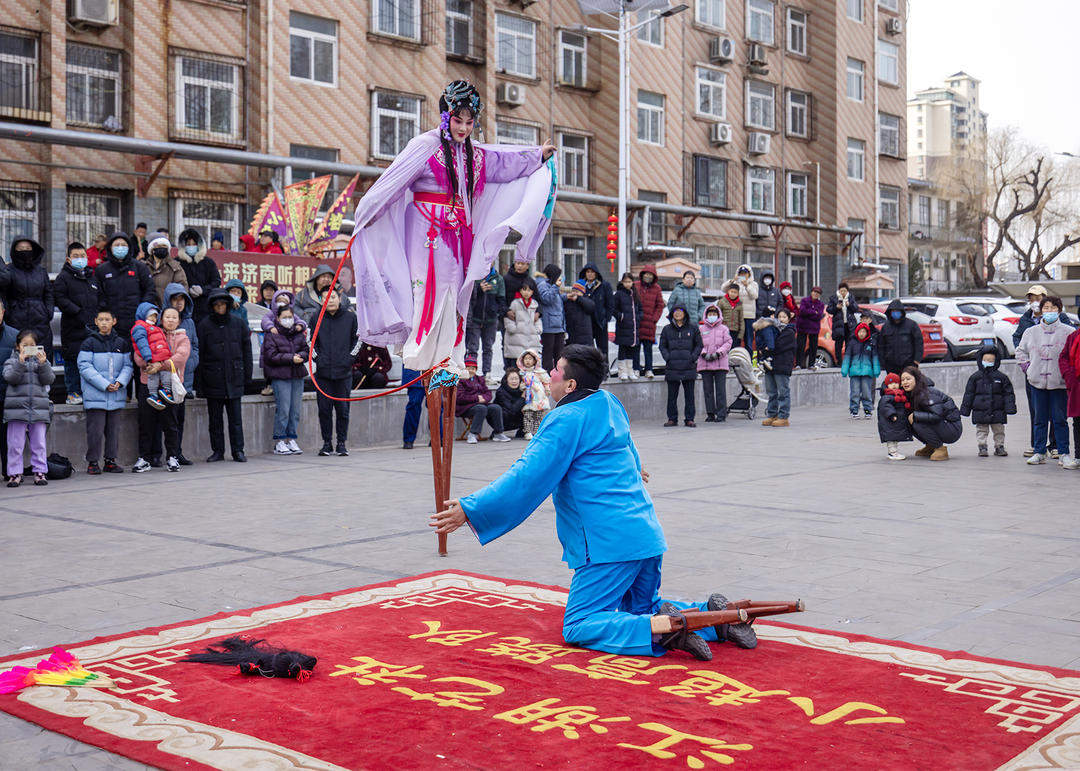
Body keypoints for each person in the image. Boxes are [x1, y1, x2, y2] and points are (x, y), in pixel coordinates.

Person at [432, 345, 757, 661]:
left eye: (556, 370)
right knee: (641, 607)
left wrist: (472, 508)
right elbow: (628, 451)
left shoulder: (565, 419)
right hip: (645, 534)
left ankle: (662, 630)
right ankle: (717, 617)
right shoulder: (609, 402)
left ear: (570, 384)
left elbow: (526, 477)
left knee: (579, 624)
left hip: (608, 543)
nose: (550, 375)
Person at [348, 79, 554, 374]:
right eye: (458, 120)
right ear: (446, 117)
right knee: (426, 287)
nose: (464, 128)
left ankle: (449, 351)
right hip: (425, 229)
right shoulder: (425, 146)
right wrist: (366, 214)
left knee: (454, 291)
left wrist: (537, 156)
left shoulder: (474, 154)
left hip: (459, 234)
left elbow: (503, 162)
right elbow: (392, 183)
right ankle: (421, 347)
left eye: (470, 122)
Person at [132, 307, 189, 473]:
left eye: (174, 317)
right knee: (146, 422)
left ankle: (172, 457)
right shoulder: (149, 332)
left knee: (170, 423)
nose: (170, 320)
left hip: (169, 385)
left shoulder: (183, 337)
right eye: (167, 317)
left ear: (178, 321)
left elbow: (181, 356)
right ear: (161, 319)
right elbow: (138, 353)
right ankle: (144, 458)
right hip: (147, 383)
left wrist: (160, 365)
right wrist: (149, 364)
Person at [197, 288, 251, 463]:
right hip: (213, 378)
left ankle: (238, 450)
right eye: (217, 304)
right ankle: (218, 451)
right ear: (212, 306)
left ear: (228, 305)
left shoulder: (238, 323)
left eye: (223, 304)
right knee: (215, 420)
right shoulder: (204, 325)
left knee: (236, 419)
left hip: (235, 377)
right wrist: (200, 384)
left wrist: (246, 378)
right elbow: (200, 355)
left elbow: (247, 352)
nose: (220, 307)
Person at [1016, 296, 1072, 466]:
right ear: (1041, 310)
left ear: (1059, 310)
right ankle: (1039, 451)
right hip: (1037, 381)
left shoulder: (1068, 331)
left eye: (1053, 308)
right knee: (1039, 418)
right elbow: (1020, 352)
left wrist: (1068, 374)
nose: (1049, 311)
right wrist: (1028, 368)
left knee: (1059, 419)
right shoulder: (1031, 332)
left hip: (1059, 382)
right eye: (1046, 308)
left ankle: (1063, 453)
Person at [78, 308, 132, 474]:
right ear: (96, 322)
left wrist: (119, 382)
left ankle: (110, 460)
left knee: (113, 430)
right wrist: (104, 384)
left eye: (107, 319)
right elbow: (84, 367)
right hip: (96, 396)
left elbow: (128, 366)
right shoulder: (89, 342)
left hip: (116, 395)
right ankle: (93, 462)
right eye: (100, 319)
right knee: (95, 431)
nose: (104, 323)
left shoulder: (121, 343)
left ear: (114, 321)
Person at [3, 329, 54, 487]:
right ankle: (14, 473)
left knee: (39, 443)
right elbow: (10, 377)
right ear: (18, 346)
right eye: (25, 345)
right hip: (16, 409)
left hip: (38, 409)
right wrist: (20, 362)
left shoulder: (42, 363)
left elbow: (49, 379)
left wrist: (43, 364)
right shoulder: (11, 362)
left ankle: (39, 471)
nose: (28, 348)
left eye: (32, 345)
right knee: (15, 444)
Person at [53, 242, 100, 404]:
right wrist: (77, 312)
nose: (80, 259)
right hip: (72, 327)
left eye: (82, 256)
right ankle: (73, 392)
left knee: (90, 362)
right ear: (68, 259)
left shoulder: (91, 278)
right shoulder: (63, 278)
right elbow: (60, 298)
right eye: (75, 256)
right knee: (73, 360)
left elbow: (98, 299)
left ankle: (88, 392)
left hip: (92, 327)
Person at [312, 289, 356, 457]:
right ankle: (326, 443)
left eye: (332, 297)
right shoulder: (316, 317)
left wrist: (349, 359)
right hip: (323, 373)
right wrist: (318, 360)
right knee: (324, 410)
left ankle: (341, 443)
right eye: (325, 297)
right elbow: (310, 341)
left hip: (344, 373)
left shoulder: (350, 317)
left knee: (343, 410)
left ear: (339, 298)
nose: (329, 300)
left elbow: (357, 340)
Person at [261, 303, 308, 456]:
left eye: (290, 317)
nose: (288, 320)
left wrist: (301, 357)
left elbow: (306, 349)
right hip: (281, 376)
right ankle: (280, 440)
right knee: (283, 410)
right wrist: (290, 358)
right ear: (278, 318)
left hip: (297, 375)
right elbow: (271, 356)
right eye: (284, 317)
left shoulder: (298, 333)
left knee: (295, 410)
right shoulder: (272, 334)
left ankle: (292, 438)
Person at [161, 284, 199, 465]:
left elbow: (195, 345)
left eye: (182, 299)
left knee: (179, 418)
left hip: (186, 377)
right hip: (167, 377)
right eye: (175, 299)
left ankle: (177, 452)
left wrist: (193, 361)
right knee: (166, 418)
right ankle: (160, 454)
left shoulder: (189, 322)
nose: (179, 303)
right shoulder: (163, 322)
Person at [95, 232, 155, 340]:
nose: (120, 248)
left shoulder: (139, 267)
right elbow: (98, 294)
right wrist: (105, 312)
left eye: (123, 245)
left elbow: (149, 290)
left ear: (129, 247)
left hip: (135, 321)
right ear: (110, 248)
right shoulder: (102, 269)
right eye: (116, 245)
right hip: (111, 323)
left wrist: (142, 311)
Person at [0, 238, 54, 360]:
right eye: (20, 249)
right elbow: (4, 295)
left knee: (42, 361)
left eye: (28, 249)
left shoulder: (41, 271)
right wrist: (8, 314)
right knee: (19, 361)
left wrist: (48, 312)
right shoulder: (9, 271)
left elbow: (48, 293)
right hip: (16, 321)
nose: (24, 251)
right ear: (14, 250)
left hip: (40, 322)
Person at [960, 344, 1017, 458]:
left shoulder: (1001, 378)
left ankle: (999, 446)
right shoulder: (975, 377)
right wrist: (965, 409)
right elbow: (969, 394)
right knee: (981, 429)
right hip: (980, 410)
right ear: (980, 360)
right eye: (985, 360)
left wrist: (1010, 407)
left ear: (996, 361)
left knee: (999, 430)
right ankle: (982, 446)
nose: (988, 362)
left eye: (991, 360)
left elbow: (1008, 393)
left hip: (998, 410)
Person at [904, 364, 963, 461]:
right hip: (942, 424)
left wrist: (915, 415)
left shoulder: (927, 393)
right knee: (908, 420)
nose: (905, 382)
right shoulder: (913, 393)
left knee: (916, 420)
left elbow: (937, 415)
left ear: (917, 379)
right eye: (903, 380)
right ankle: (931, 446)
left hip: (952, 428)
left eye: (908, 379)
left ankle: (940, 449)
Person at [659, 305, 702, 428]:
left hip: (689, 366)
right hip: (672, 366)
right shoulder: (667, 329)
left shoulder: (693, 328)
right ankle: (672, 418)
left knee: (689, 395)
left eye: (680, 311)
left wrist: (692, 358)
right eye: (675, 311)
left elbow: (699, 345)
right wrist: (668, 357)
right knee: (672, 395)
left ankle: (689, 419)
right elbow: (662, 346)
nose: (677, 314)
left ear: (685, 314)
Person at [456, 355, 511, 443]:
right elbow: (460, 397)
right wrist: (476, 398)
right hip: (465, 407)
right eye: (468, 368)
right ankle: (472, 434)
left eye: (473, 368)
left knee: (496, 407)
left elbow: (488, 393)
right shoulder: (461, 380)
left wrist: (484, 399)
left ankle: (498, 433)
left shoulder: (480, 379)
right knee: (481, 408)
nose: (471, 370)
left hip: (481, 404)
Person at [130, 302, 174, 409]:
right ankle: (153, 395)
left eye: (155, 316)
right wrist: (149, 358)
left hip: (161, 357)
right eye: (151, 315)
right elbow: (142, 343)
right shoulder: (140, 327)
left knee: (166, 373)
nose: (154, 319)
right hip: (152, 357)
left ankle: (166, 390)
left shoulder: (156, 328)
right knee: (153, 376)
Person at [465, 268, 505, 379]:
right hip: (475, 319)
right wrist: (479, 289)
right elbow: (468, 296)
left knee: (488, 347)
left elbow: (501, 299)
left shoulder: (498, 278)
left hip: (491, 320)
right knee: (473, 347)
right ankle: (470, 373)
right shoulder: (475, 276)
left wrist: (496, 312)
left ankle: (487, 373)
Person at [175, 228, 221, 323]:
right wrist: (186, 291)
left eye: (194, 244)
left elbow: (216, 281)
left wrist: (203, 290)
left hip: (205, 309)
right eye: (188, 244)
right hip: (184, 307)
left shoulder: (208, 262)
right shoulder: (177, 262)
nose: (191, 247)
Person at [760, 307, 796, 427]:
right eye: (779, 317)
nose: (781, 319)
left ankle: (783, 416)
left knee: (783, 392)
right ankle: (772, 414)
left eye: (784, 317)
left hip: (782, 365)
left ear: (788, 319)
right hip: (771, 366)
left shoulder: (789, 332)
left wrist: (767, 349)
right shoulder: (772, 330)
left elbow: (776, 346)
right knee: (771, 392)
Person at [840, 312, 880, 419]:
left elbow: (874, 358)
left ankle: (868, 409)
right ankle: (854, 410)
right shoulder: (852, 343)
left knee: (867, 392)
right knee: (855, 392)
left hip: (867, 372)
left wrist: (876, 370)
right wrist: (844, 369)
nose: (862, 333)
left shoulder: (871, 343)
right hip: (854, 372)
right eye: (860, 331)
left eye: (864, 332)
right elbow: (847, 357)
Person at [698, 304, 732, 423]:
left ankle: (721, 414)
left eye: (714, 314)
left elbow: (728, 342)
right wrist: (703, 353)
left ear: (718, 315)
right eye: (710, 314)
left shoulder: (724, 328)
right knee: (708, 390)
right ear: (706, 315)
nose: (712, 316)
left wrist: (718, 353)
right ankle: (710, 413)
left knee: (720, 390)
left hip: (720, 363)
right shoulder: (701, 329)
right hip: (705, 363)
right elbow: (697, 343)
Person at [503, 278, 541, 371]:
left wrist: (538, 329)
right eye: (524, 289)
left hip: (530, 339)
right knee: (515, 367)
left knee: (528, 368)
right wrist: (513, 328)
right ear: (520, 290)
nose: (526, 292)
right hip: (516, 339)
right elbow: (509, 318)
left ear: (532, 292)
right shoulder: (515, 303)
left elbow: (537, 320)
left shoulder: (534, 304)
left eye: (529, 290)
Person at [877, 299, 923, 375]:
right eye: (893, 311)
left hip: (908, 364)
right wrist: (882, 362)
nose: (895, 313)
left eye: (897, 311)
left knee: (907, 385)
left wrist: (916, 360)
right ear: (890, 312)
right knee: (893, 386)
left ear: (902, 312)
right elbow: (881, 345)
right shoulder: (886, 327)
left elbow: (918, 343)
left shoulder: (911, 325)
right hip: (891, 365)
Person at [535, 264, 566, 374]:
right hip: (549, 325)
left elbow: (557, 302)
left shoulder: (553, 286)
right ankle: (547, 375)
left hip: (559, 325)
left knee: (559, 353)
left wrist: (566, 296)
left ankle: (559, 374)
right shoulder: (543, 285)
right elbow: (546, 299)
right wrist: (555, 287)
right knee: (548, 352)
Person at [579, 263, 614, 359]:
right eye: (588, 272)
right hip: (586, 322)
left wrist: (606, 318)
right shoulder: (581, 286)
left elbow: (610, 304)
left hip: (600, 322)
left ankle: (604, 371)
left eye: (592, 272)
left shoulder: (604, 286)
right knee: (587, 350)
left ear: (596, 273)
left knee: (602, 350)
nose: (590, 274)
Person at [634, 264, 664, 378]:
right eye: (646, 274)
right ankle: (636, 368)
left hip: (649, 324)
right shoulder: (635, 285)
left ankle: (649, 369)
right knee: (635, 349)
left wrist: (654, 319)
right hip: (636, 323)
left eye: (650, 275)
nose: (648, 276)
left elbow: (660, 305)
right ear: (642, 274)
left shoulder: (657, 288)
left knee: (648, 349)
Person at [1057, 324, 1080, 470]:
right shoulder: (1074, 336)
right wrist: (1069, 375)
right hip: (1077, 384)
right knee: (1078, 422)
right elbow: (1063, 357)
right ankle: (1078, 457)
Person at [877, 372, 913, 461]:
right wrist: (892, 414)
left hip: (896, 422)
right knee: (891, 439)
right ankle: (892, 453)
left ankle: (894, 452)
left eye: (896, 383)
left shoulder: (899, 394)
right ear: (886, 385)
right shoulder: (887, 396)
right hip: (890, 422)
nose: (894, 385)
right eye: (891, 383)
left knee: (895, 438)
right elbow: (885, 406)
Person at [613, 272, 642, 381]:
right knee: (623, 349)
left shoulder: (635, 294)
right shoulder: (619, 294)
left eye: (629, 281)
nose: (627, 284)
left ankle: (630, 371)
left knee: (631, 350)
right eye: (625, 281)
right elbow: (613, 309)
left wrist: (639, 317)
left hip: (633, 328)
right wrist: (621, 316)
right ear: (622, 282)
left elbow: (640, 309)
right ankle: (622, 372)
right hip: (623, 327)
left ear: (632, 282)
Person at [0, 299, 18, 476]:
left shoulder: (15, 336)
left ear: (3, 312)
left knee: (7, 437)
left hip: (7, 394)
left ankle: (9, 471)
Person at [144, 234, 188, 305]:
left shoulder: (175, 267)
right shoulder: (144, 267)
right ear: (152, 250)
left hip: (168, 310)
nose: (161, 249)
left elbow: (182, 288)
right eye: (158, 247)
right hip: (148, 310)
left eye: (164, 247)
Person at [517, 349, 550, 439]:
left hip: (539, 396)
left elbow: (546, 381)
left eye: (530, 359)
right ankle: (528, 431)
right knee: (528, 415)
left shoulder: (540, 372)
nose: (528, 361)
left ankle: (537, 431)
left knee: (538, 415)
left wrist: (547, 389)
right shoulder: (521, 373)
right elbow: (519, 383)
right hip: (528, 396)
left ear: (535, 360)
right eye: (526, 359)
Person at [827, 282, 858, 366]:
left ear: (847, 291)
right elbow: (828, 309)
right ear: (839, 291)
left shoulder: (851, 298)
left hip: (849, 325)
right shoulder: (834, 298)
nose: (843, 292)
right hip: (838, 325)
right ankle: (839, 362)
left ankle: (848, 362)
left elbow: (856, 309)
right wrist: (836, 307)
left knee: (849, 344)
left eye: (844, 291)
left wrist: (849, 305)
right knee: (838, 345)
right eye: (841, 291)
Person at [795, 286, 825, 369]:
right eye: (814, 292)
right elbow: (802, 311)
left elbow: (819, 315)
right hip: (802, 326)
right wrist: (813, 312)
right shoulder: (804, 300)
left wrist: (810, 313)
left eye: (818, 293)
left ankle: (811, 364)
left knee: (813, 347)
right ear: (811, 292)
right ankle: (798, 364)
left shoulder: (821, 304)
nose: (816, 294)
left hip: (814, 328)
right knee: (800, 346)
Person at [563, 280, 596, 347]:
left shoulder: (586, 301)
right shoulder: (568, 302)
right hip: (571, 337)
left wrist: (578, 298)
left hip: (584, 338)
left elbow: (591, 307)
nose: (574, 293)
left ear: (582, 292)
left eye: (577, 292)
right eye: (573, 291)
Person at [494, 368, 526, 437]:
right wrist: (522, 398)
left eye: (516, 379)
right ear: (506, 380)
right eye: (511, 379)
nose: (514, 381)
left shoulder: (522, 390)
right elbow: (511, 410)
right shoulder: (501, 392)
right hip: (503, 419)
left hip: (516, 418)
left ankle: (523, 431)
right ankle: (497, 432)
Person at [734, 264, 759, 350]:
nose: (743, 275)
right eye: (741, 273)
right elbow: (724, 289)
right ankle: (735, 360)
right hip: (737, 316)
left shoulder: (754, 284)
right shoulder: (736, 283)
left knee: (748, 340)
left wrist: (747, 285)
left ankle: (749, 360)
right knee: (736, 339)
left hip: (749, 316)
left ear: (749, 274)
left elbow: (755, 296)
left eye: (745, 273)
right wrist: (732, 281)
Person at [401, 367, 426, 450]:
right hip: (415, 370)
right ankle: (408, 439)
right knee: (414, 404)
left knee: (438, 406)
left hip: (435, 369)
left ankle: (438, 437)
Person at [755, 272, 782, 342]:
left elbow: (780, 303)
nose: (767, 280)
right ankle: (759, 352)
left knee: (772, 339)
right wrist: (759, 314)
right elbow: (754, 304)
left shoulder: (776, 291)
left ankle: (771, 352)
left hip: (773, 320)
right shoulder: (757, 290)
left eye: (769, 278)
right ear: (762, 279)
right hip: (760, 319)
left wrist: (776, 313)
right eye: (766, 278)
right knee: (760, 340)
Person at [718, 281, 744, 348]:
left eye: (735, 292)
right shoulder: (722, 302)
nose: (733, 294)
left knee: (734, 349)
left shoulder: (739, 304)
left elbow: (741, 320)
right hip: (724, 330)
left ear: (738, 294)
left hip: (735, 331)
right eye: (731, 292)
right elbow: (718, 316)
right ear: (728, 291)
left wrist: (741, 334)